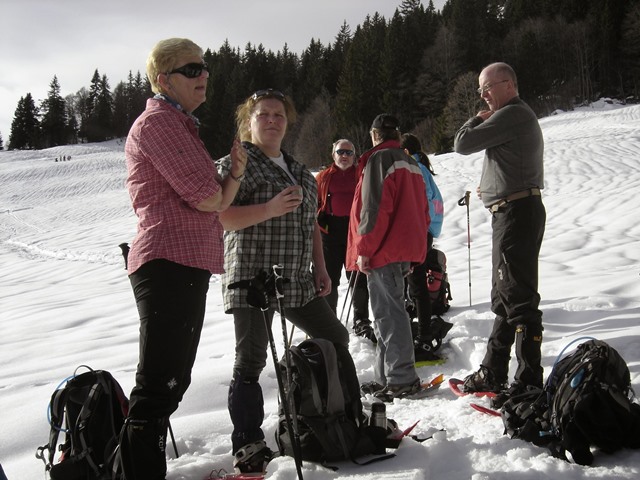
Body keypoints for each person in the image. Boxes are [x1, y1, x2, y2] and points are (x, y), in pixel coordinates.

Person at [121, 38, 247, 480]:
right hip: (167, 260)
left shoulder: (181, 126)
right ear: (163, 80)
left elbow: (214, 199)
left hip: (182, 263)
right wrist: (227, 181)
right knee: (159, 386)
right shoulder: (159, 124)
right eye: (191, 69)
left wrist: (230, 176)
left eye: (205, 66)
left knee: (170, 381)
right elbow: (210, 198)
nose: (204, 75)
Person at [216, 89, 350, 474]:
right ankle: (247, 443)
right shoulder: (237, 163)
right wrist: (270, 209)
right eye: (264, 114)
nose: (272, 120)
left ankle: (330, 412)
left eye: (279, 114)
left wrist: (320, 268)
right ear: (250, 120)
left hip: (296, 279)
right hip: (252, 279)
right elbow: (221, 218)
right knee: (251, 361)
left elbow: (311, 227)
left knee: (335, 339)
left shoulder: (299, 169)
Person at [453, 62, 546, 407]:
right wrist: (493, 189)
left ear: (509, 84)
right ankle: (493, 370)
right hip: (513, 213)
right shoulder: (513, 117)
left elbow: (462, 143)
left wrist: (476, 118)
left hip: (516, 216)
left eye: (487, 87)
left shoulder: (511, 114)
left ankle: (528, 383)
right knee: (506, 296)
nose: (483, 95)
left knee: (519, 300)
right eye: (480, 90)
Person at [347, 114, 429, 402]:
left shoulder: (379, 160)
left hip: (384, 249)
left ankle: (401, 377)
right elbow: (423, 210)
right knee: (387, 313)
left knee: (389, 314)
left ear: (374, 134)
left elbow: (374, 208)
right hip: (401, 248)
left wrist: (364, 249)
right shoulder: (411, 163)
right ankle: (388, 376)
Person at [400, 133, 452, 363]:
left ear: (405, 152)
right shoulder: (421, 168)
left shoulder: (415, 170)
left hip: (418, 231)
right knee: (415, 283)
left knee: (416, 283)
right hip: (424, 231)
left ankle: (423, 336)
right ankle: (422, 332)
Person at [316, 139, 373, 342]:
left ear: (354, 155)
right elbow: (316, 203)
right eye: (341, 152)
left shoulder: (361, 174)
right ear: (333, 154)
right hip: (330, 232)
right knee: (329, 278)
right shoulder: (324, 177)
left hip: (355, 232)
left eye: (349, 152)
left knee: (358, 278)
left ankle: (361, 320)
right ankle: (329, 320)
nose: (345, 156)